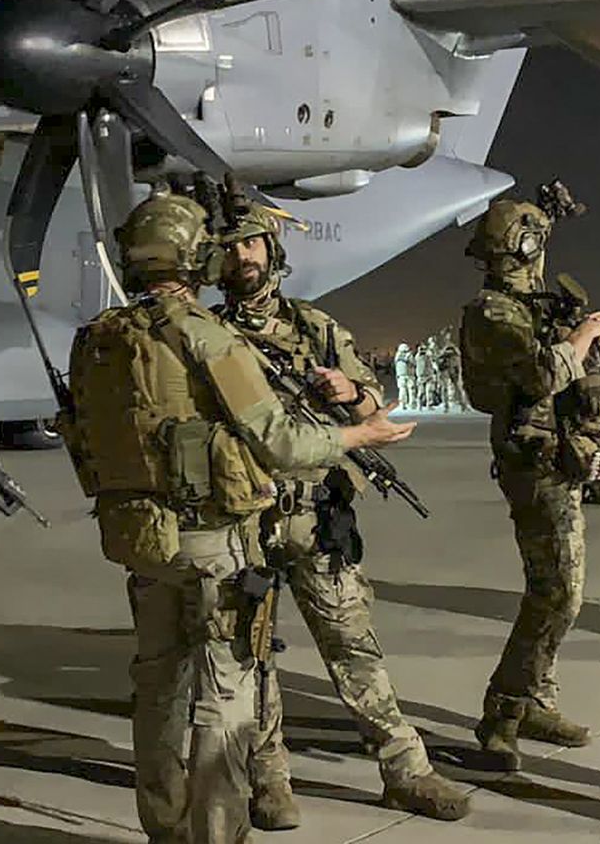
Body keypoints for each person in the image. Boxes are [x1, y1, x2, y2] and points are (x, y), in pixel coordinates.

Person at [64, 191, 416, 844]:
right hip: (214, 544)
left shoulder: (97, 339)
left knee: (159, 697)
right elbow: (280, 443)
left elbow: (81, 439)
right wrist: (358, 439)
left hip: (143, 543)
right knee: (224, 706)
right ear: (195, 255)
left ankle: (166, 832)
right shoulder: (207, 335)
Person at [215, 200, 470, 827]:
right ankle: (269, 778)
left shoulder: (315, 327)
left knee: (354, 645)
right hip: (245, 516)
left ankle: (406, 768)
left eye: (251, 245)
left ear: (273, 253)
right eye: (230, 248)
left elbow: (374, 403)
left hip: (316, 516)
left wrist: (351, 392)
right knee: (252, 654)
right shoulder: (210, 336)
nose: (241, 257)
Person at [457, 192, 600, 770]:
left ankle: (536, 700)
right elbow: (543, 374)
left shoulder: (534, 306)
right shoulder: (493, 312)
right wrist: (585, 334)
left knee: (557, 589)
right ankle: (501, 712)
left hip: (562, 460)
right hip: (535, 465)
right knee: (557, 595)